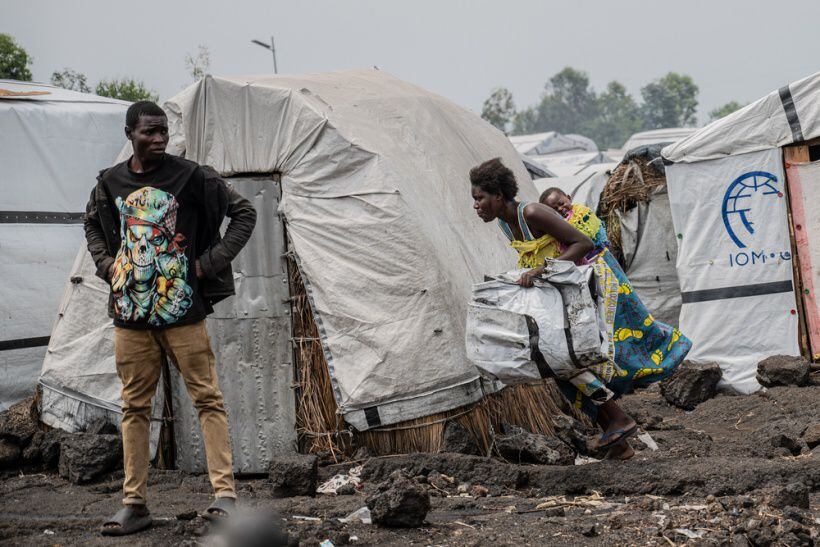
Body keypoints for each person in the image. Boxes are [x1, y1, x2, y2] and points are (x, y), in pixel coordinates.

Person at [84, 101, 257, 535]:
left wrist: (205, 265)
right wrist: (108, 266)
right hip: (130, 317)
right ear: (130, 134)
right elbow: (90, 224)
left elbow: (245, 214)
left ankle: (225, 498)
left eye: (164, 131)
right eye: (150, 132)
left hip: (182, 313)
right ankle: (134, 504)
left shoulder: (191, 176)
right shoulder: (111, 182)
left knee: (207, 399)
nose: (159, 139)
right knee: (134, 407)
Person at [470, 158, 691, 460]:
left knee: (579, 361)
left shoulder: (531, 213)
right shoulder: (506, 224)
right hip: (561, 295)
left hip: (590, 285)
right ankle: (618, 438)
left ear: (498, 195)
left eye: (479, 198)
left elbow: (582, 243)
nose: (476, 205)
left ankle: (619, 420)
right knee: (561, 366)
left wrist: (542, 271)